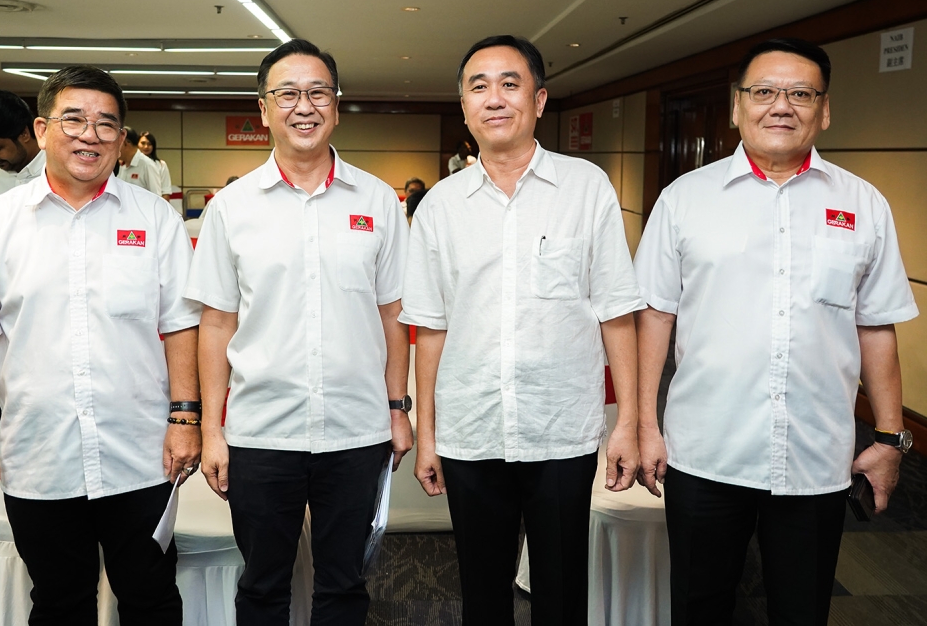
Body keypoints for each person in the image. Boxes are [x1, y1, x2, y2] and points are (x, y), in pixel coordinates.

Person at [634, 38, 919, 626]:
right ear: (737, 106)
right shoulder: (685, 200)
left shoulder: (864, 204)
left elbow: (876, 327)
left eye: (800, 93)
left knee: (802, 609)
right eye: (763, 92)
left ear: (825, 109)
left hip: (816, 456)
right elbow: (655, 317)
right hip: (705, 452)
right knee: (698, 605)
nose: (781, 106)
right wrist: (643, 426)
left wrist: (890, 439)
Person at [0, 65, 201, 625]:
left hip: (140, 455)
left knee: (152, 596)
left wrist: (185, 417)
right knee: (59, 601)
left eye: (108, 124)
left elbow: (181, 325)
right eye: (74, 119)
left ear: (122, 138)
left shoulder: (155, 219)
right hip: (42, 454)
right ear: (42, 127)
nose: (92, 135)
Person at [400, 35, 644, 625]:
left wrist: (630, 425)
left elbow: (617, 312)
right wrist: (427, 432)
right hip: (471, 430)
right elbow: (430, 329)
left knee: (562, 593)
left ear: (538, 100)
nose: (494, 98)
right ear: (463, 107)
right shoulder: (440, 205)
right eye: (478, 87)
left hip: (560, 429)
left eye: (510, 84)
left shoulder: (586, 189)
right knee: (481, 594)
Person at [186, 38, 412, 625]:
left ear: (337, 107)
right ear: (263, 109)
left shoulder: (379, 202)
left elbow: (393, 315)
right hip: (262, 432)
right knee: (262, 585)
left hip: (356, 429)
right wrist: (213, 429)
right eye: (287, 93)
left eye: (317, 93)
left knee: (344, 584)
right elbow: (215, 323)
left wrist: (397, 408)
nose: (303, 106)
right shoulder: (231, 208)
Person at [118, 128, 162, 195]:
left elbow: (156, 197)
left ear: (126, 143)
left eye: (116, 144)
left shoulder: (147, 165)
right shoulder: (122, 165)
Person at [138, 132, 173, 200]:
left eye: (149, 144)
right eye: (143, 143)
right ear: (136, 145)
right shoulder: (128, 164)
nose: (146, 147)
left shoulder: (161, 165)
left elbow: (165, 192)